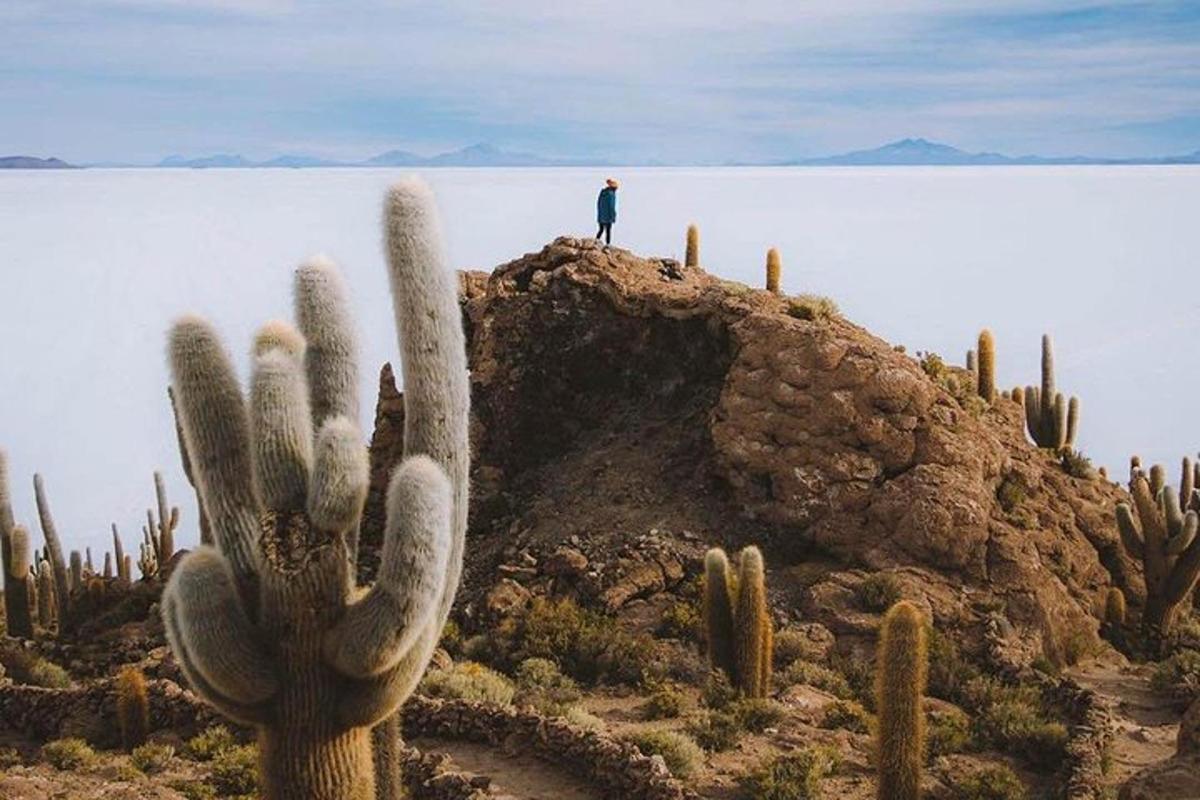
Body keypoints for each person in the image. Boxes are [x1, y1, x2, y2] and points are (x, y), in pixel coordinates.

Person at [596, 178, 618, 245]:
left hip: (601, 215)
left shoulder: (603, 192)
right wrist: (613, 216)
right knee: (608, 231)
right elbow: (611, 206)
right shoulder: (611, 194)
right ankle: (608, 244)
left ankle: (595, 242)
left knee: (601, 229)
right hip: (608, 216)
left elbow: (598, 203)